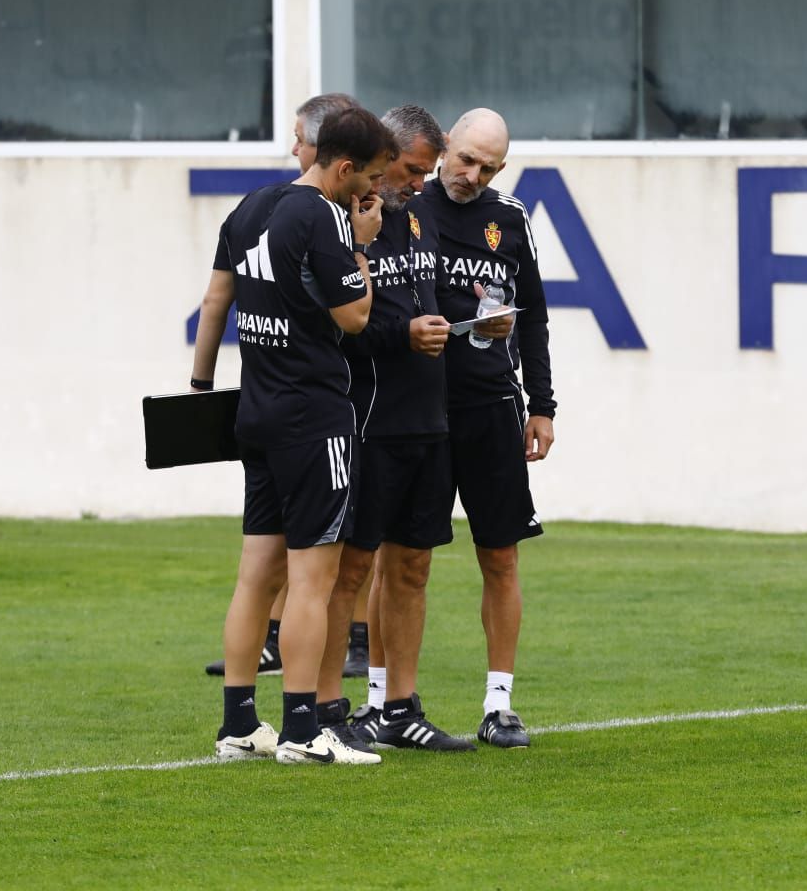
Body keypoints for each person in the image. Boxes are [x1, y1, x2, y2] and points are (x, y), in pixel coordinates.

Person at [198, 106, 396, 766]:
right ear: (342, 167)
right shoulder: (325, 217)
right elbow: (358, 315)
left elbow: (214, 300)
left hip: (255, 411)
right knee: (314, 577)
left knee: (256, 575)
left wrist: (200, 386)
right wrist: (363, 243)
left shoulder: (251, 207)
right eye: (366, 177)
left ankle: (238, 723)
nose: (368, 192)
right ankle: (305, 729)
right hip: (315, 417)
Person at [316, 104, 473, 752]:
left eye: (426, 172)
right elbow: (334, 326)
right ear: (382, 158)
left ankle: (399, 706)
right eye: (411, 169)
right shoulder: (338, 223)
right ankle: (325, 708)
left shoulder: (418, 219)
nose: (418, 182)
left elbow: (421, 304)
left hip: (427, 421)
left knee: (412, 569)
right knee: (347, 573)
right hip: (368, 421)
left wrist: (454, 326)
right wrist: (401, 332)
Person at [415, 108, 555, 748]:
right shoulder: (403, 206)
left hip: (492, 404)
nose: (473, 175)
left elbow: (533, 320)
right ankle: (387, 701)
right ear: (445, 145)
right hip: (414, 408)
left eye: (489, 166)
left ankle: (500, 705)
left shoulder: (510, 219)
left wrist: (542, 405)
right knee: (404, 559)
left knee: (499, 555)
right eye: (466, 159)